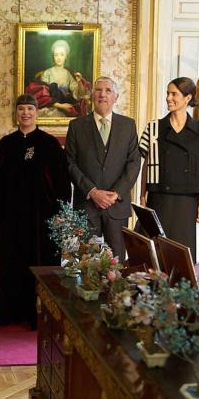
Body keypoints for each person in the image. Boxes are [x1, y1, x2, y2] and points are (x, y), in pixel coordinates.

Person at [0, 94, 70, 329]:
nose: (25, 113)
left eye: (30, 109)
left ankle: (42, 315)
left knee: (42, 263)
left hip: (44, 217)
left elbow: (63, 180)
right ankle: (12, 313)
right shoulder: (6, 143)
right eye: (21, 108)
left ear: (37, 113)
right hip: (12, 217)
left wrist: (62, 210)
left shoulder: (49, 143)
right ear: (16, 113)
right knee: (13, 263)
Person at [65, 76, 141, 261]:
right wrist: (92, 191)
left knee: (116, 261)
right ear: (92, 96)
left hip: (117, 207)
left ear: (116, 97)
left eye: (108, 90)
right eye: (98, 90)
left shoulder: (128, 125)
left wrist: (116, 193)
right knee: (87, 261)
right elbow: (69, 162)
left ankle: (115, 292)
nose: (103, 94)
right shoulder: (76, 126)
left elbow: (134, 162)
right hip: (87, 205)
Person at [138, 77, 199, 261]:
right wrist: (142, 196)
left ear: (187, 98)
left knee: (181, 254)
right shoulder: (153, 128)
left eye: (174, 94)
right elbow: (145, 163)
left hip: (187, 201)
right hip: (159, 197)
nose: (168, 98)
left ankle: (181, 289)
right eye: (167, 93)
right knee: (156, 251)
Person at [25, 39, 85, 117]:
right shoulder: (47, 73)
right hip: (50, 105)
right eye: (56, 55)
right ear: (53, 56)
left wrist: (79, 82)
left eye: (62, 54)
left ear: (66, 56)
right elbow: (43, 95)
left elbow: (78, 94)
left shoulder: (68, 74)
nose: (59, 57)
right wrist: (58, 105)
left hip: (65, 105)